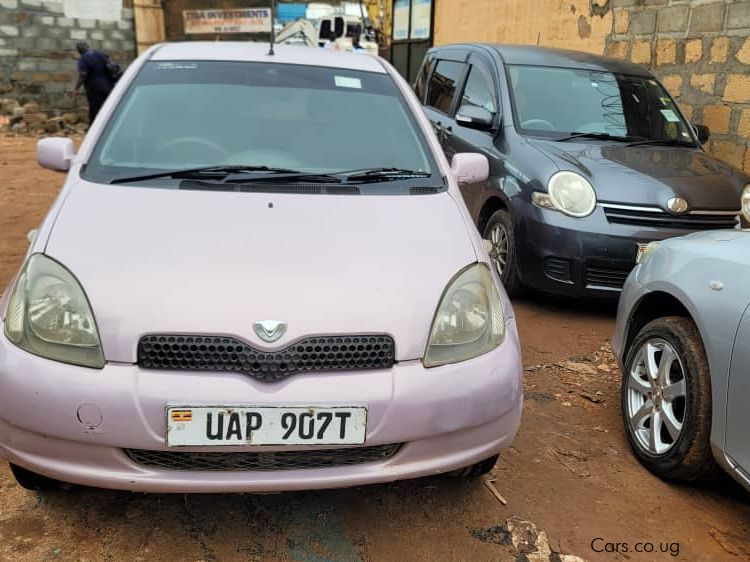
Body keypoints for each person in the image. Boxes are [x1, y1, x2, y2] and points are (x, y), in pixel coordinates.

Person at [73, 41, 115, 125]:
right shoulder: (100, 54)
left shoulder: (83, 59)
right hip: (109, 86)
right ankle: (94, 127)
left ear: (79, 51)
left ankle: (98, 128)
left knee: (96, 109)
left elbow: (83, 75)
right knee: (108, 107)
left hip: (95, 89)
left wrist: (76, 88)